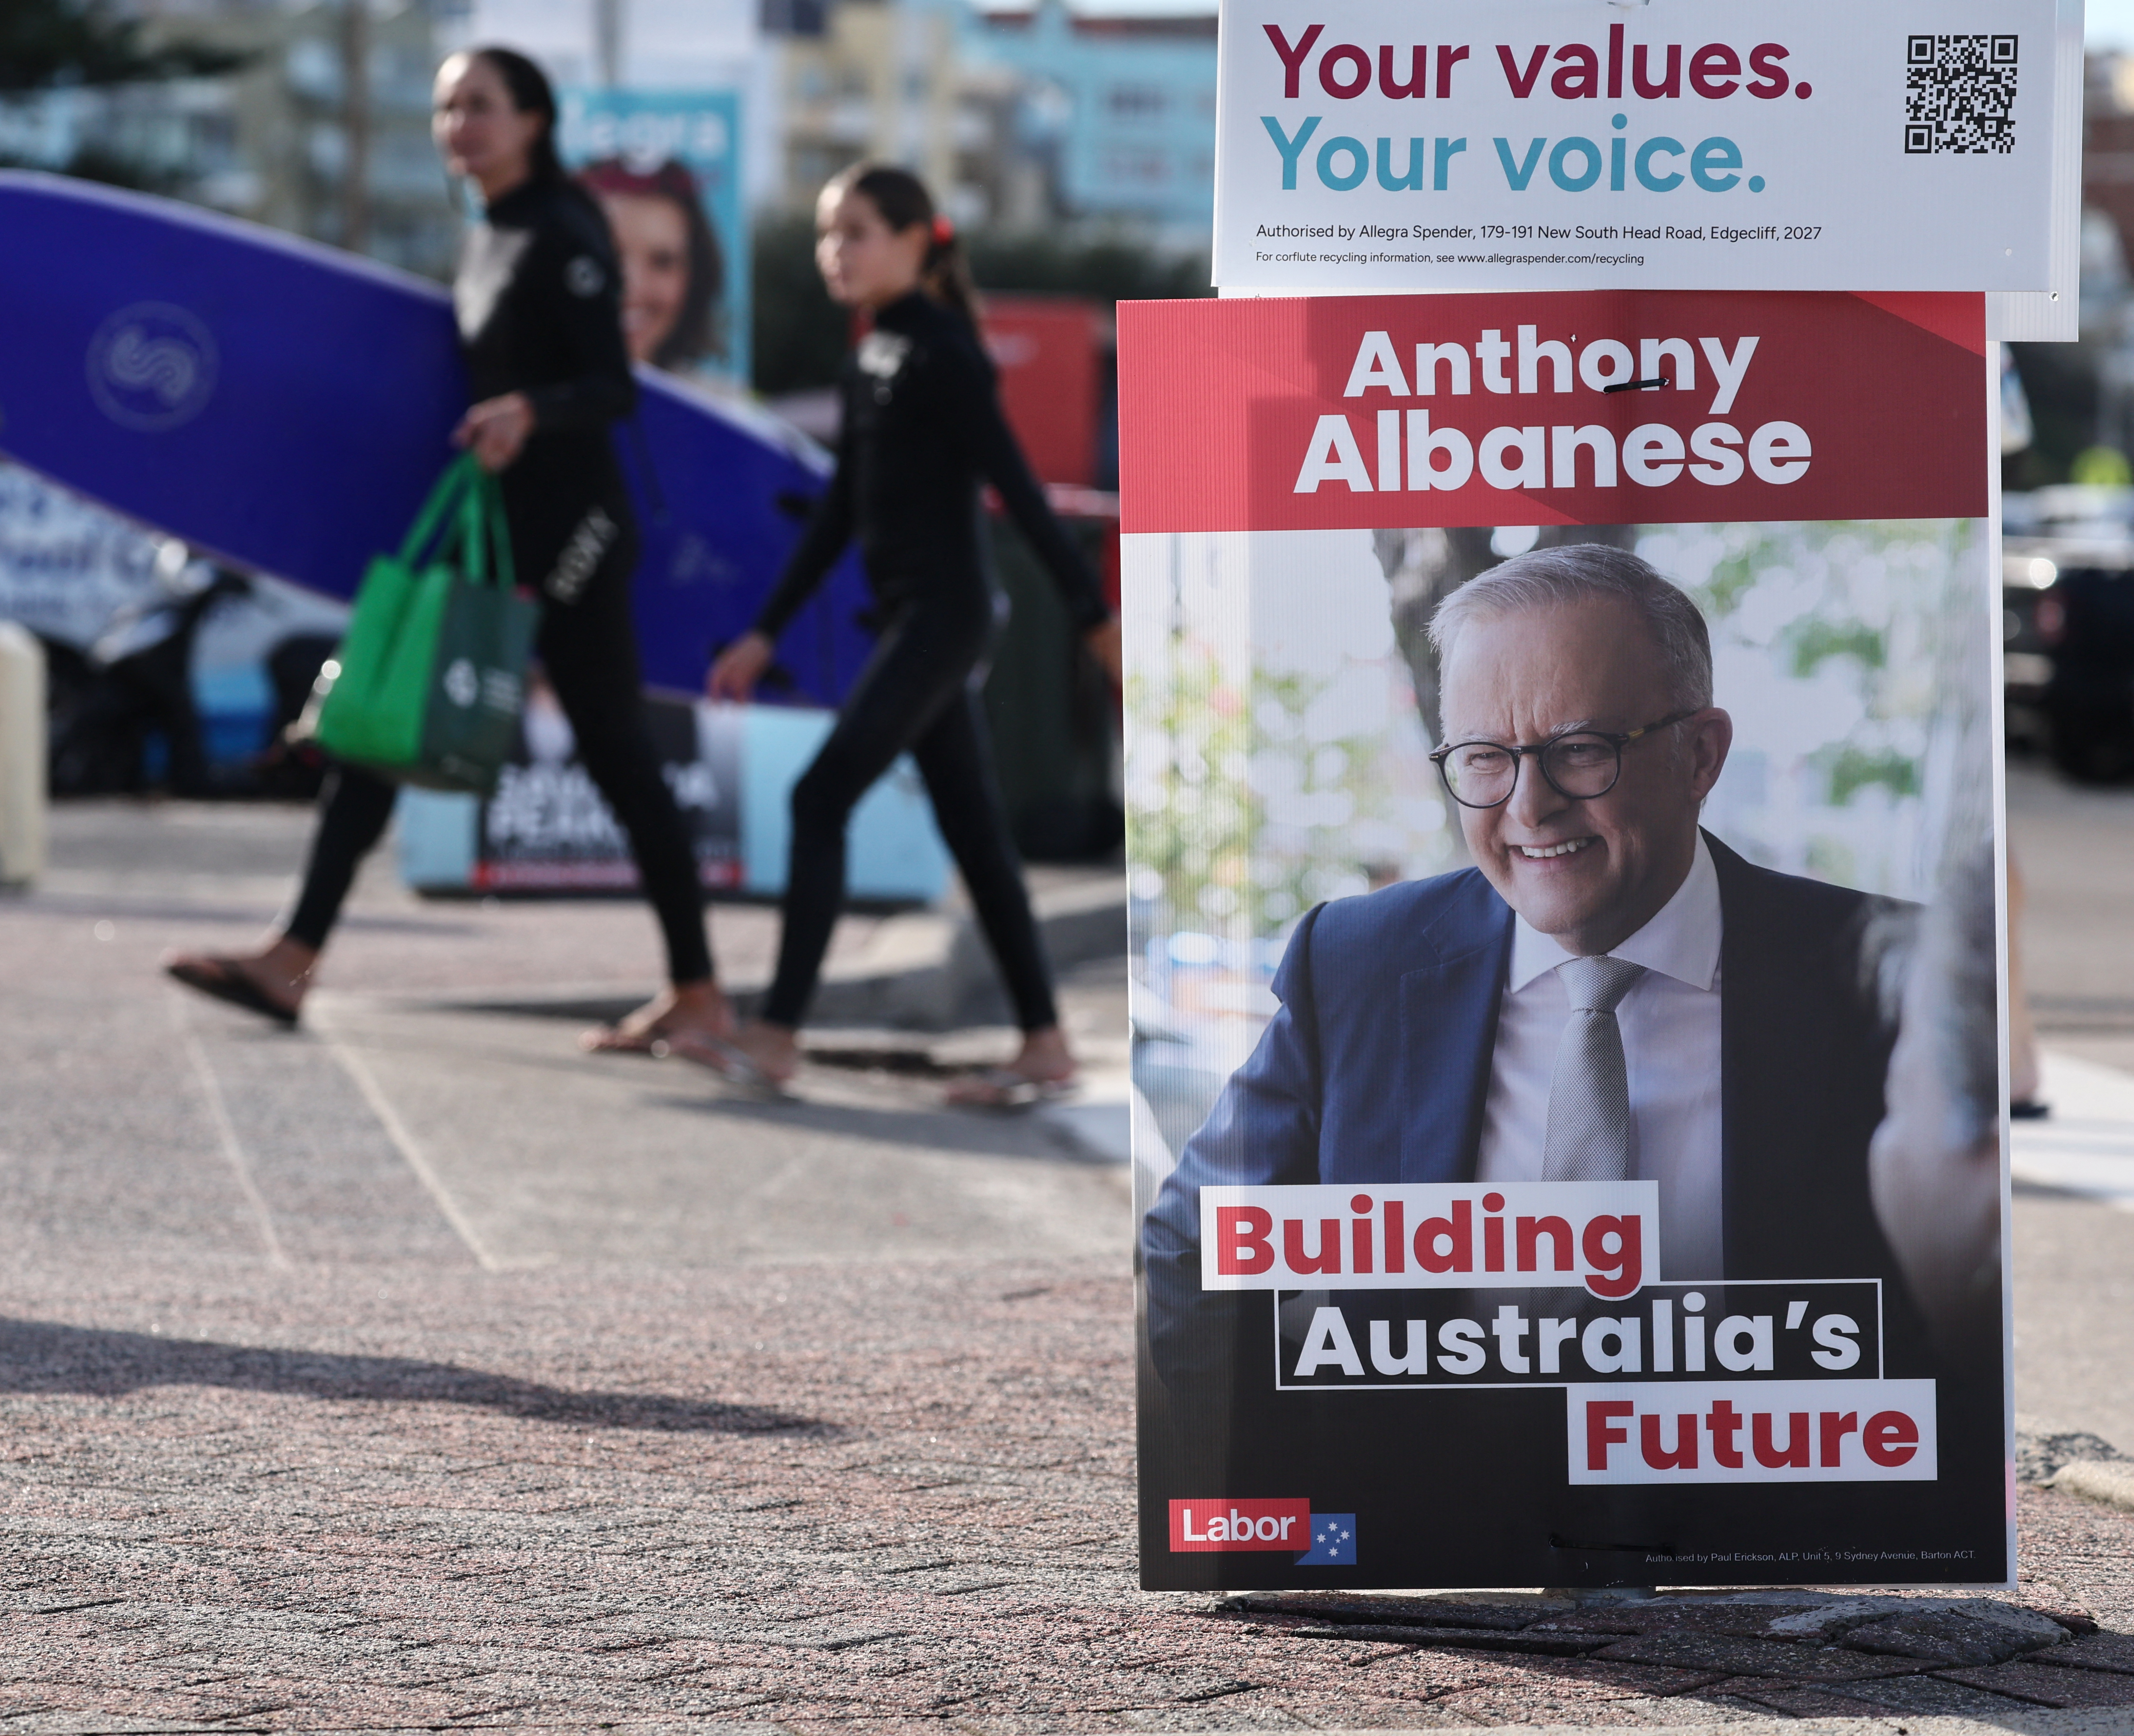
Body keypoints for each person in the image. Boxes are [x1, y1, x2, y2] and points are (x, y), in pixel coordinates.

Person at [1143, 545, 1909, 1399]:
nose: (1526, 805)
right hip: (1448, 1520)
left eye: (1578, 748)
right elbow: (1196, 1242)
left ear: (1699, 756)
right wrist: (1289, 1479)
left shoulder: (1881, 978)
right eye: (1482, 756)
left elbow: (1944, 1310)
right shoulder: (1360, 964)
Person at [165, 47, 727, 1052]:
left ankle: (698, 993)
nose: (458, 124)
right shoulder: (488, 233)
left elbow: (611, 387)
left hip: (576, 535)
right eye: (444, 108)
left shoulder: (563, 230)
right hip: (499, 523)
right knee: (373, 723)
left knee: (615, 755)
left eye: (480, 105)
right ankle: (292, 959)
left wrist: (528, 408)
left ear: (534, 121)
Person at [678, 164, 1122, 1105]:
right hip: (911, 620)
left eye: (856, 233)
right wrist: (762, 633)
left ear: (918, 241)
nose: (834, 252)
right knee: (976, 836)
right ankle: (1045, 1042)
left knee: (817, 797)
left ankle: (776, 1032)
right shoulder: (873, 347)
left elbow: (1019, 485)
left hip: (945, 618)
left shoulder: (945, 352)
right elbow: (842, 509)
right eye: (826, 234)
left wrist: (1091, 616)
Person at [576, 157, 723, 373]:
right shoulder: (513, 396)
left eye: (663, 262)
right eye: (606, 256)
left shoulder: (718, 404)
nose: (632, 288)